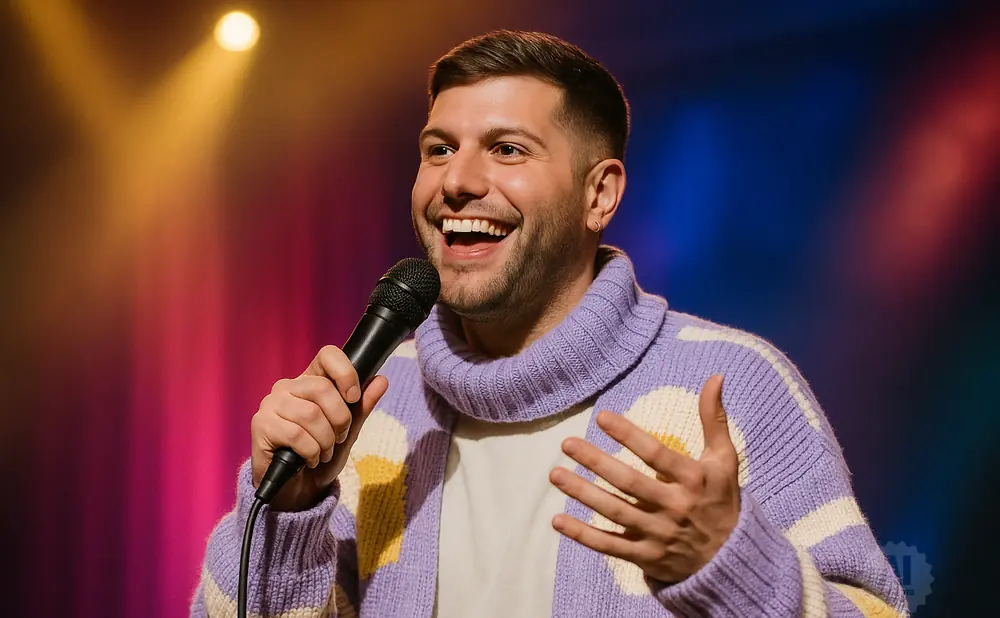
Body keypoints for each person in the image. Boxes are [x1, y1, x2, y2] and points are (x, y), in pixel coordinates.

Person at [192, 30, 906, 617]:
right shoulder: (367, 411)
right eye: (438, 149)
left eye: (507, 150)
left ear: (599, 194)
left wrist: (734, 567)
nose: (456, 181)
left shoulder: (731, 387)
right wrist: (287, 515)